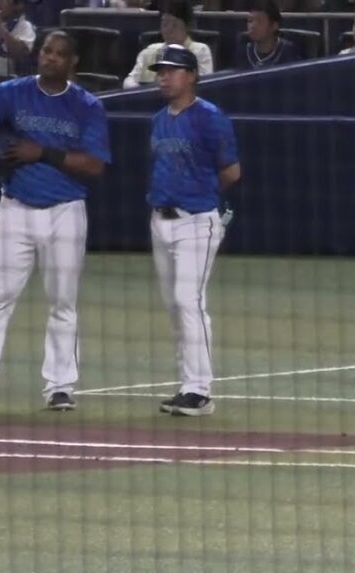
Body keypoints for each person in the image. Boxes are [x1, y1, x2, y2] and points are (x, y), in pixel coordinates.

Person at [0, 31, 111, 413]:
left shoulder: (87, 105)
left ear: (73, 62)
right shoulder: (11, 93)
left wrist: (43, 153)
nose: (50, 58)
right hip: (15, 209)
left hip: (66, 211)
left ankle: (60, 387)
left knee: (63, 302)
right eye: (46, 51)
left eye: (59, 54)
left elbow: (95, 165)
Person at [145, 45, 240, 417]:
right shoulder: (159, 119)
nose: (164, 77)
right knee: (175, 306)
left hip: (197, 221)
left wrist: (201, 196)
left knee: (189, 301)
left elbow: (231, 171)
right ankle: (187, 385)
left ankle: (199, 392)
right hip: (160, 221)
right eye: (161, 71)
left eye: (171, 70)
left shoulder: (210, 117)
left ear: (192, 75)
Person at [123, 0, 214, 89]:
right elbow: (130, 80)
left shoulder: (200, 50)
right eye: (164, 24)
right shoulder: (150, 51)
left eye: (174, 25)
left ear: (187, 27)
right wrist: (142, 91)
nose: (168, 30)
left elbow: (203, 84)